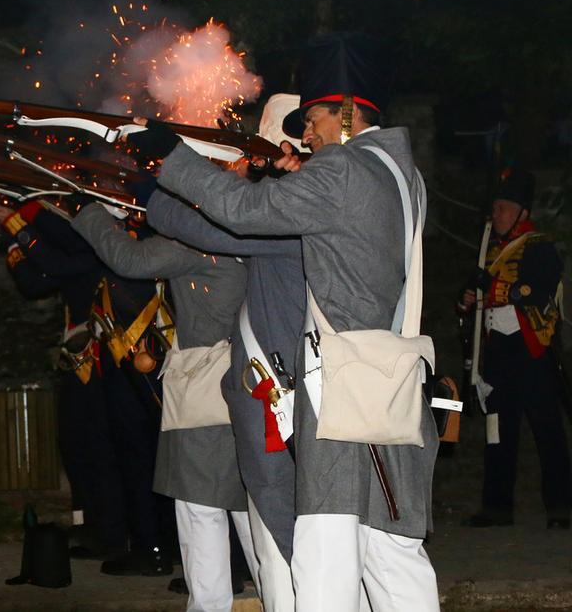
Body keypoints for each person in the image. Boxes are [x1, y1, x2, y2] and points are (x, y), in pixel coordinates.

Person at [132, 32, 441, 611]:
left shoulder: (343, 168)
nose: (307, 134)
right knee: (389, 552)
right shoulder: (402, 174)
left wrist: (169, 159)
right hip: (384, 378)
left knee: (325, 551)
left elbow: (242, 211)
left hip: (339, 385)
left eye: (315, 118)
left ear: (345, 112)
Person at [140, 93, 305, 612]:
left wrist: (154, 188)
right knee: (264, 517)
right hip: (268, 380)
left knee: (273, 520)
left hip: (279, 380)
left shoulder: (290, 209)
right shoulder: (291, 199)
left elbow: (207, 225)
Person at [70, 196, 257, 611]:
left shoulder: (200, 240)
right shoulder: (248, 229)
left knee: (201, 508)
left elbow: (129, 259)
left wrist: (89, 211)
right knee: (249, 507)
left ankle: (210, 606)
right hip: (246, 381)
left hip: (206, 386)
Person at [0, 200, 175, 575]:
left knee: (130, 453)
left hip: (131, 355)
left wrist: (19, 223)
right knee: (97, 449)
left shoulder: (117, 241)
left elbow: (56, 265)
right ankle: (125, 536)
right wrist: (17, 232)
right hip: (110, 356)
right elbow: (40, 277)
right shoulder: (97, 239)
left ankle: (148, 544)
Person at [459, 168, 570, 529]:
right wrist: (469, 298)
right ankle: (496, 507)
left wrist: (495, 291)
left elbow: (537, 290)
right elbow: (477, 295)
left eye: (504, 208)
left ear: (523, 212)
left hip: (531, 350)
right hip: (498, 354)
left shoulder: (539, 246)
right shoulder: (489, 250)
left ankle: (561, 507)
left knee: (547, 430)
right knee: (497, 429)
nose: (497, 214)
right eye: (495, 207)